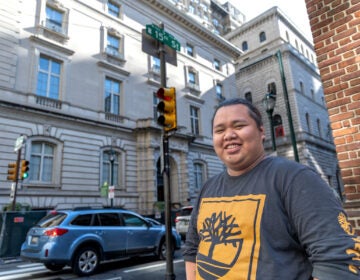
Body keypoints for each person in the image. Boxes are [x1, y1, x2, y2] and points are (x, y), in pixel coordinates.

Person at [183, 98, 360, 279]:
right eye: (219, 130)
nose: (228, 135)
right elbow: (192, 250)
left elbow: (338, 261)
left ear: (261, 132)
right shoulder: (208, 188)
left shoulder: (296, 179)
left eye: (238, 126)